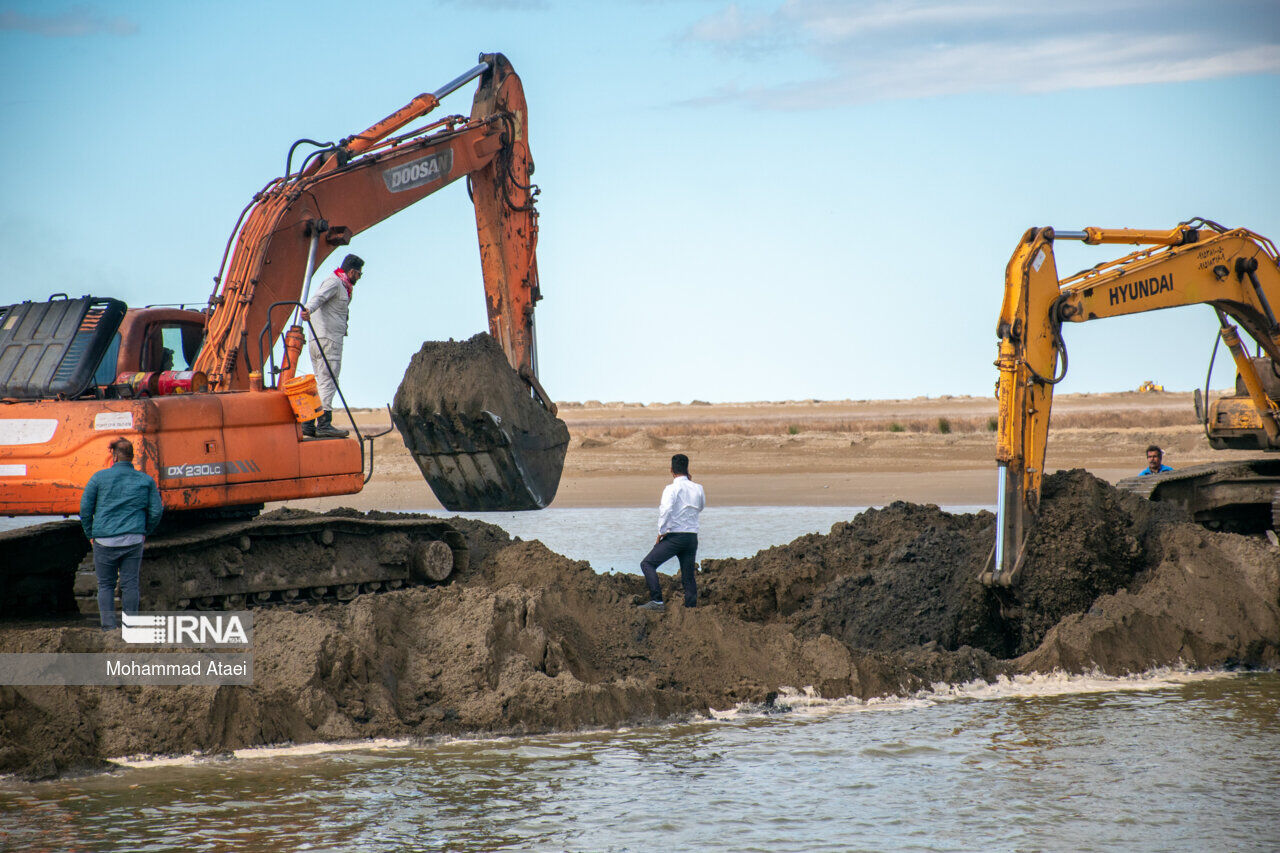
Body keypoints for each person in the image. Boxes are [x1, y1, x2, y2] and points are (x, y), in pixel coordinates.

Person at [80, 437, 163, 629]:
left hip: (104, 540)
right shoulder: (146, 480)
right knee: (130, 585)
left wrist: (90, 534)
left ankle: (109, 628)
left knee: (106, 585)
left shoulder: (98, 478)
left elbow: (85, 509)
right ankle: (130, 628)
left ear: (114, 456)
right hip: (133, 539)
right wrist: (144, 531)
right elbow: (156, 511)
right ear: (131, 456)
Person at [300, 253, 363, 438]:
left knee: (322, 382)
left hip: (319, 340)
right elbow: (318, 298)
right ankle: (324, 424)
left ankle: (308, 424)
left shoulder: (340, 285)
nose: (359, 277)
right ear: (351, 271)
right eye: (359, 274)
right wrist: (307, 310)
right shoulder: (335, 282)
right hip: (328, 341)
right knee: (329, 381)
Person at [638, 454, 705, 612]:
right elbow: (701, 507)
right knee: (688, 574)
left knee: (647, 564)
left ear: (671, 470)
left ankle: (657, 601)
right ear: (687, 469)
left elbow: (666, 510)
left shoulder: (671, 489)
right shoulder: (698, 488)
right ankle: (691, 608)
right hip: (692, 537)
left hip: (675, 536)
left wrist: (661, 532)